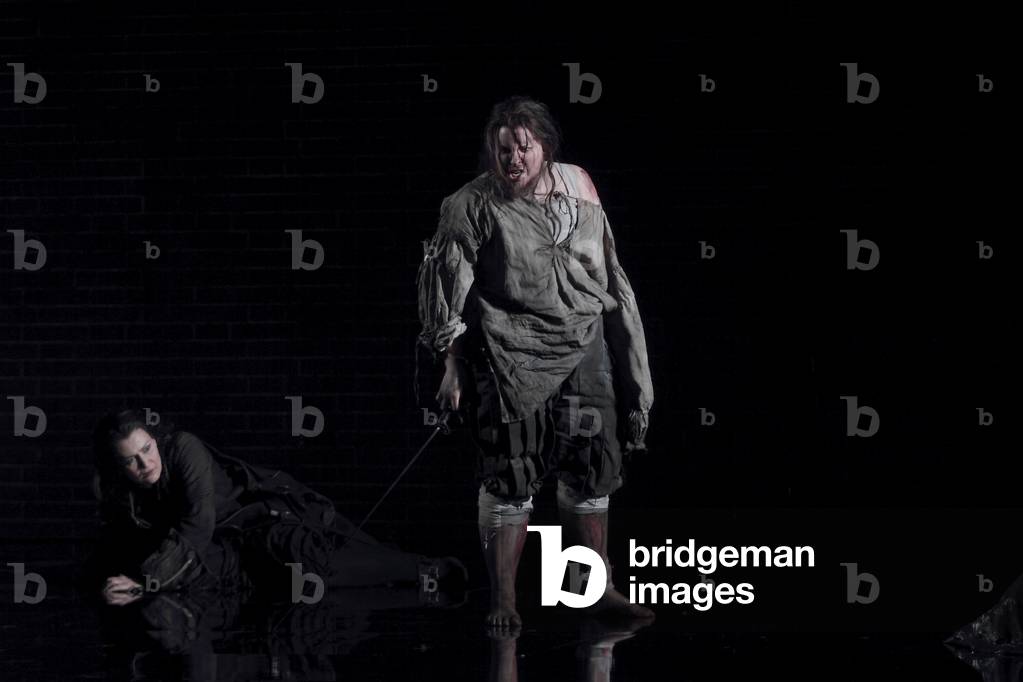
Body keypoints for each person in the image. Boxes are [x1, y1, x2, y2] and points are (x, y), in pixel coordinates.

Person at [416, 96, 655, 629]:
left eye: (524, 147)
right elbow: (448, 293)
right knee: (511, 469)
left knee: (593, 462)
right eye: (504, 150)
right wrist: (452, 364)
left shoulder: (578, 185)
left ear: (544, 147)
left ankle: (594, 588)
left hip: (583, 342)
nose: (514, 159)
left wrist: (628, 358)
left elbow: (608, 267)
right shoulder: (470, 205)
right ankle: (504, 598)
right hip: (510, 348)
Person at [85, 408, 465, 606]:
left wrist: (147, 582)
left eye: (146, 449)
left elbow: (197, 525)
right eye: (130, 460)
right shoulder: (125, 493)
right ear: (118, 468)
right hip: (239, 544)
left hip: (274, 516)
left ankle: (430, 569)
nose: (145, 463)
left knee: (320, 562)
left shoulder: (184, 448)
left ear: (156, 438)